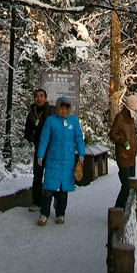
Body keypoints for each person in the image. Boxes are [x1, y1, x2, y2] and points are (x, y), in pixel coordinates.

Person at [36, 96, 85, 226]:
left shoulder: (73, 122)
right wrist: (40, 155)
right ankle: (44, 213)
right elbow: (44, 139)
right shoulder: (51, 121)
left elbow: (79, 138)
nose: (63, 110)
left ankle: (60, 213)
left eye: (65, 107)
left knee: (63, 190)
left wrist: (81, 154)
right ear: (57, 108)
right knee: (48, 189)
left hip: (67, 160)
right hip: (53, 159)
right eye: (61, 107)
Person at [24, 88, 54, 211]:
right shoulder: (31, 114)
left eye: (41, 96)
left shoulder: (52, 111)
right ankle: (37, 202)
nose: (39, 98)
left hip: (52, 149)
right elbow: (27, 132)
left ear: (45, 98)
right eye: (36, 96)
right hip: (39, 149)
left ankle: (53, 201)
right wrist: (35, 139)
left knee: (51, 175)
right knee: (37, 175)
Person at [109, 93, 137, 208]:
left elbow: (131, 134)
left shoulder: (131, 118)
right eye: (136, 110)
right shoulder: (120, 117)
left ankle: (126, 209)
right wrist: (123, 141)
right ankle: (119, 209)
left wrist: (135, 145)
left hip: (131, 155)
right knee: (126, 185)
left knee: (131, 185)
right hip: (123, 156)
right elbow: (113, 133)